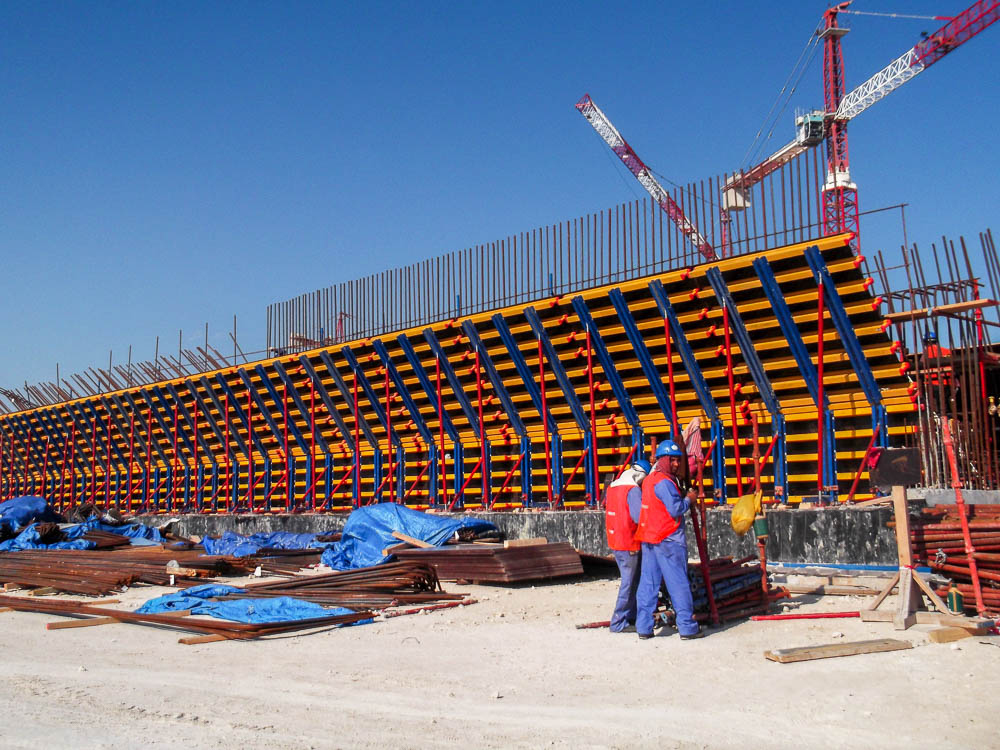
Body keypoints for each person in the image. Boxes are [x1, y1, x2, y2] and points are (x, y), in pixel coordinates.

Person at [634, 440, 703, 640]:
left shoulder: (650, 480)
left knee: (648, 585)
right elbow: (675, 509)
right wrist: (690, 498)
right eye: (672, 460)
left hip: (649, 539)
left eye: (677, 460)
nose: (675, 464)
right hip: (668, 539)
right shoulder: (664, 482)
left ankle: (644, 628)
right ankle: (688, 628)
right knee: (678, 584)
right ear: (663, 460)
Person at [604, 458, 651, 633]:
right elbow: (639, 517)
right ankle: (618, 622)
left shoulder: (613, 487)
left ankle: (630, 616)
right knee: (630, 582)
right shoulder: (632, 490)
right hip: (629, 542)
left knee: (632, 581)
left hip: (616, 540)